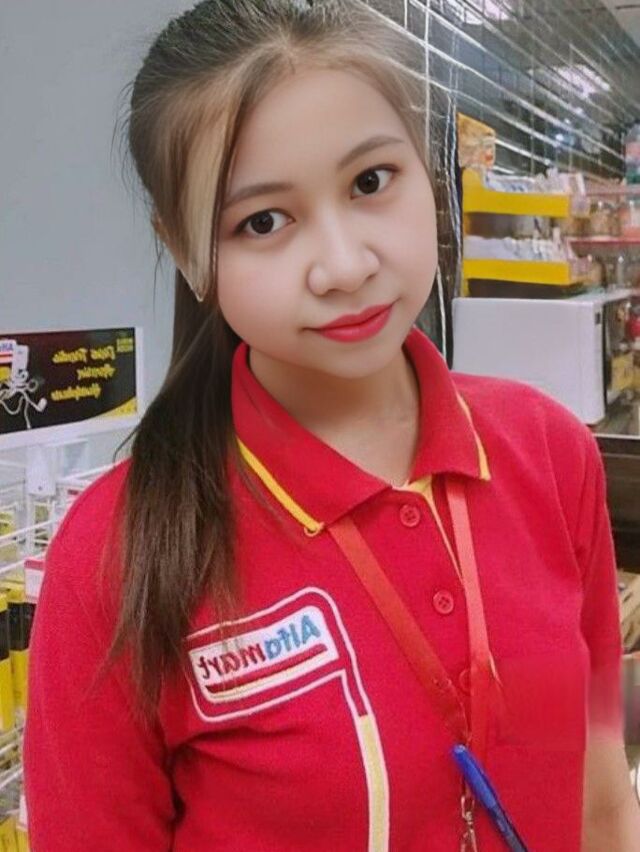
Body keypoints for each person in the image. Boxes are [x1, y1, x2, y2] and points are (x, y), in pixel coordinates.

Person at [22, 1, 640, 850]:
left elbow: (596, 783)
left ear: (425, 169)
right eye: (263, 222)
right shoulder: (117, 557)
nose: (346, 266)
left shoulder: (547, 451)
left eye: (371, 181)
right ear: (186, 248)